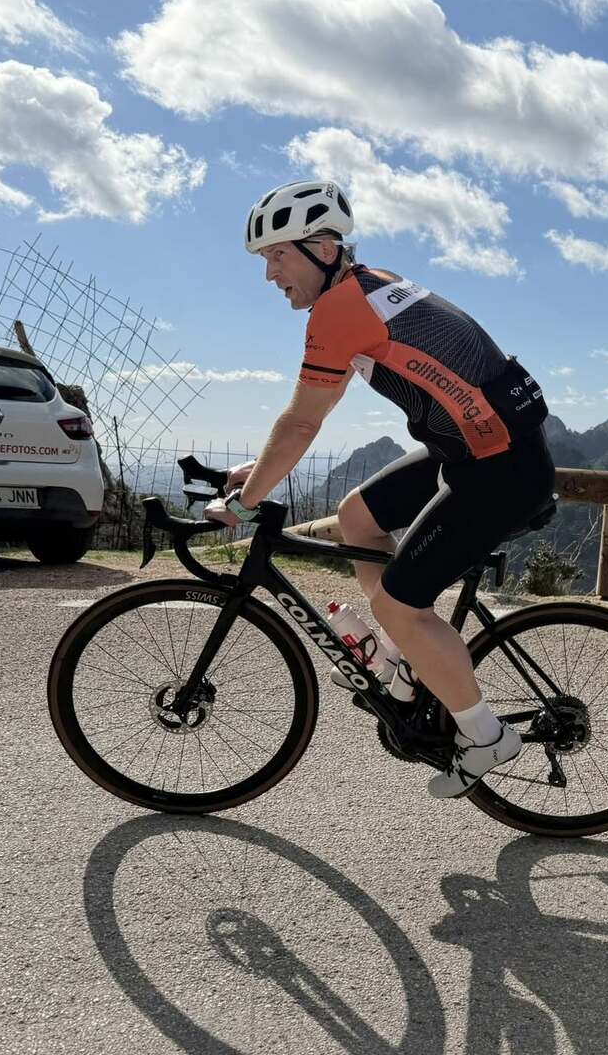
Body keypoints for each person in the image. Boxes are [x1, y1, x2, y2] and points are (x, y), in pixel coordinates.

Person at [209, 178, 554, 799]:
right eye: (265, 260)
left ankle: (485, 734)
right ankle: (402, 656)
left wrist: (246, 501)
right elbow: (315, 411)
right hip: (477, 450)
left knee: (399, 603)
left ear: (322, 249)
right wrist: (260, 471)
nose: (270, 275)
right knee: (357, 517)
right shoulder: (369, 285)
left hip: (499, 469)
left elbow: (301, 422)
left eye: (278, 256)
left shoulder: (340, 310)